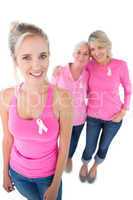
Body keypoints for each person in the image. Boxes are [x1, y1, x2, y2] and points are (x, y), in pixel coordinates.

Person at [0, 22, 73, 200]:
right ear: (15, 59)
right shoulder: (6, 96)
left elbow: (64, 147)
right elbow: (8, 138)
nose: (37, 65)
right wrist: (5, 172)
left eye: (42, 56)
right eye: (26, 57)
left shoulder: (62, 98)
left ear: (49, 56)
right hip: (17, 174)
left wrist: (55, 185)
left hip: (48, 177)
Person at [79, 30, 132, 183]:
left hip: (114, 118)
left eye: (100, 47)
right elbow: (75, 72)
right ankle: (85, 163)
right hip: (93, 116)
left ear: (107, 46)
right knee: (89, 146)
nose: (96, 52)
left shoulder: (120, 65)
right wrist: (60, 70)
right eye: (93, 49)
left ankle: (95, 165)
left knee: (104, 146)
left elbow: (128, 89)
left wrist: (124, 110)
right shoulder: (88, 66)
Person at [52, 42, 89, 172]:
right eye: (79, 52)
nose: (81, 56)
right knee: (60, 140)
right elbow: (52, 92)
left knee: (73, 141)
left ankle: (68, 157)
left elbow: (90, 92)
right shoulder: (60, 71)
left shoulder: (87, 74)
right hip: (61, 116)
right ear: (73, 54)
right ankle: (57, 160)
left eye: (86, 54)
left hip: (79, 117)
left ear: (89, 57)